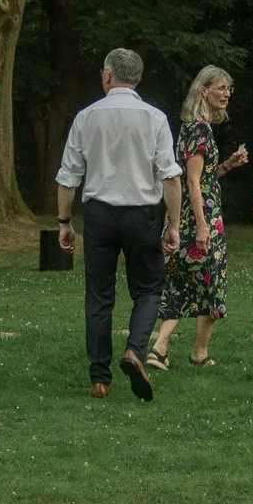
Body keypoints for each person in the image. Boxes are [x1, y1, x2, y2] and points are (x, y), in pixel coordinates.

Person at [56, 47, 182, 402]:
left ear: (107, 76)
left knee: (98, 295)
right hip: (142, 213)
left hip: (99, 214)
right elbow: (170, 178)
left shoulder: (86, 117)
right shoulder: (154, 118)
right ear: (137, 79)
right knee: (149, 289)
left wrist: (64, 222)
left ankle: (100, 378)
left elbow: (68, 177)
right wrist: (173, 224)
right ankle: (135, 351)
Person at [147, 66, 249, 371]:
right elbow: (192, 183)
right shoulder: (199, 130)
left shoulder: (194, 128)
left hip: (194, 217)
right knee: (207, 283)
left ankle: (173, 350)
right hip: (200, 222)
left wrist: (228, 165)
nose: (226, 93)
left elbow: (203, 178)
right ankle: (179, 350)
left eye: (230, 88)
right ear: (204, 91)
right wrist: (203, 227)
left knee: (187, 281)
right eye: (220, 88)